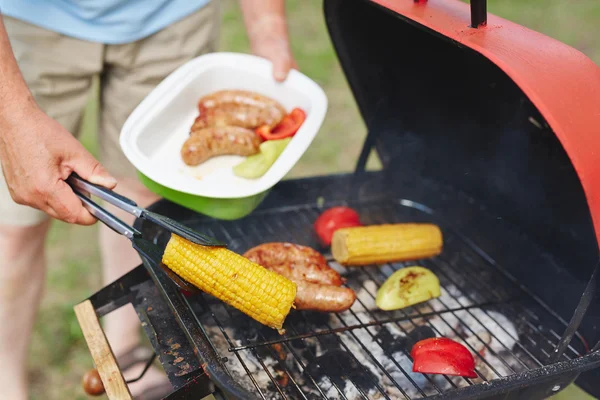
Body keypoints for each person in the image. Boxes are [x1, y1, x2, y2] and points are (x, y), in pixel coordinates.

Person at [0, 1, 297, 398]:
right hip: (28, 19)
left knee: (142, 200)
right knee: (14, 225)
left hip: (170, 16)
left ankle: (125, 357)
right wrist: (12, 119)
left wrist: (267, 28)